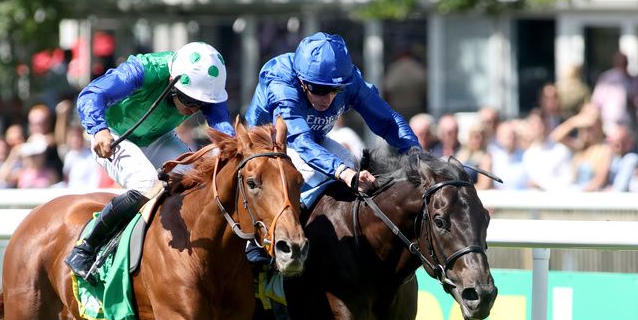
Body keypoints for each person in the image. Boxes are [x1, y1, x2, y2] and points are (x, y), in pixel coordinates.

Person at [65, 41, 235, 281]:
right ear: (172, 83)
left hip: (159, 137)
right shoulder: (143, 69)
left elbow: (223, 130)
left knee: (199, 179)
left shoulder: (206, 85)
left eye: (201, 104)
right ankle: (85, 248)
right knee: (147, 183)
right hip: (113, 134)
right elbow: (91, 95)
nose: (194, 109)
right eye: (189, 101)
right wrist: (98, 129)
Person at [246, 32, 419, 209]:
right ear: (301, 81)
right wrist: (343, 173)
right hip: (268, 145)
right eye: (319, 89)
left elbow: (388, 121)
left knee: (353, 166)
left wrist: (416, 154)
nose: (327, 99)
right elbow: (300, 141)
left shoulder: (351, 81)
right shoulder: (282, 84)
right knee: (314, 173)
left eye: (336, 90)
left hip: (314, 140)